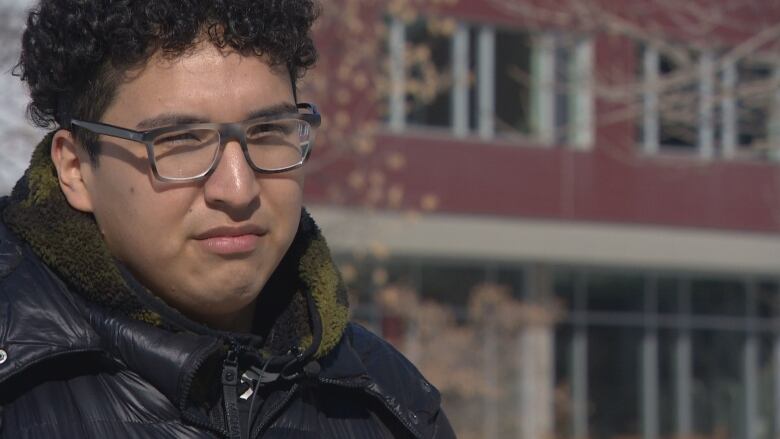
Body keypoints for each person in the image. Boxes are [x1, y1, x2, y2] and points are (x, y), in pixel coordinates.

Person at [0, 0, 455, 437]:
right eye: (180, 141)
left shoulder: (390, 403)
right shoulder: (16, 381)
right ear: (75, 168)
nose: (239, 190)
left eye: (269, 132)